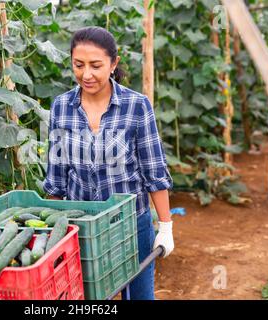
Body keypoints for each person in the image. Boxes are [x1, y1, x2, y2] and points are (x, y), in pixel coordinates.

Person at [43, 26, 174, 300]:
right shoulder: (61, 107)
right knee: (87, 298)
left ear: (113, 64)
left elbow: (154, 171)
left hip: (130, 225)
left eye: (96, 65)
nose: (86, 74)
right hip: (82, 227)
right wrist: (52, 233)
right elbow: (56, 177)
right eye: (78, 65)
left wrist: (165, 226)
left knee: (139, 297)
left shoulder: (136, 106)